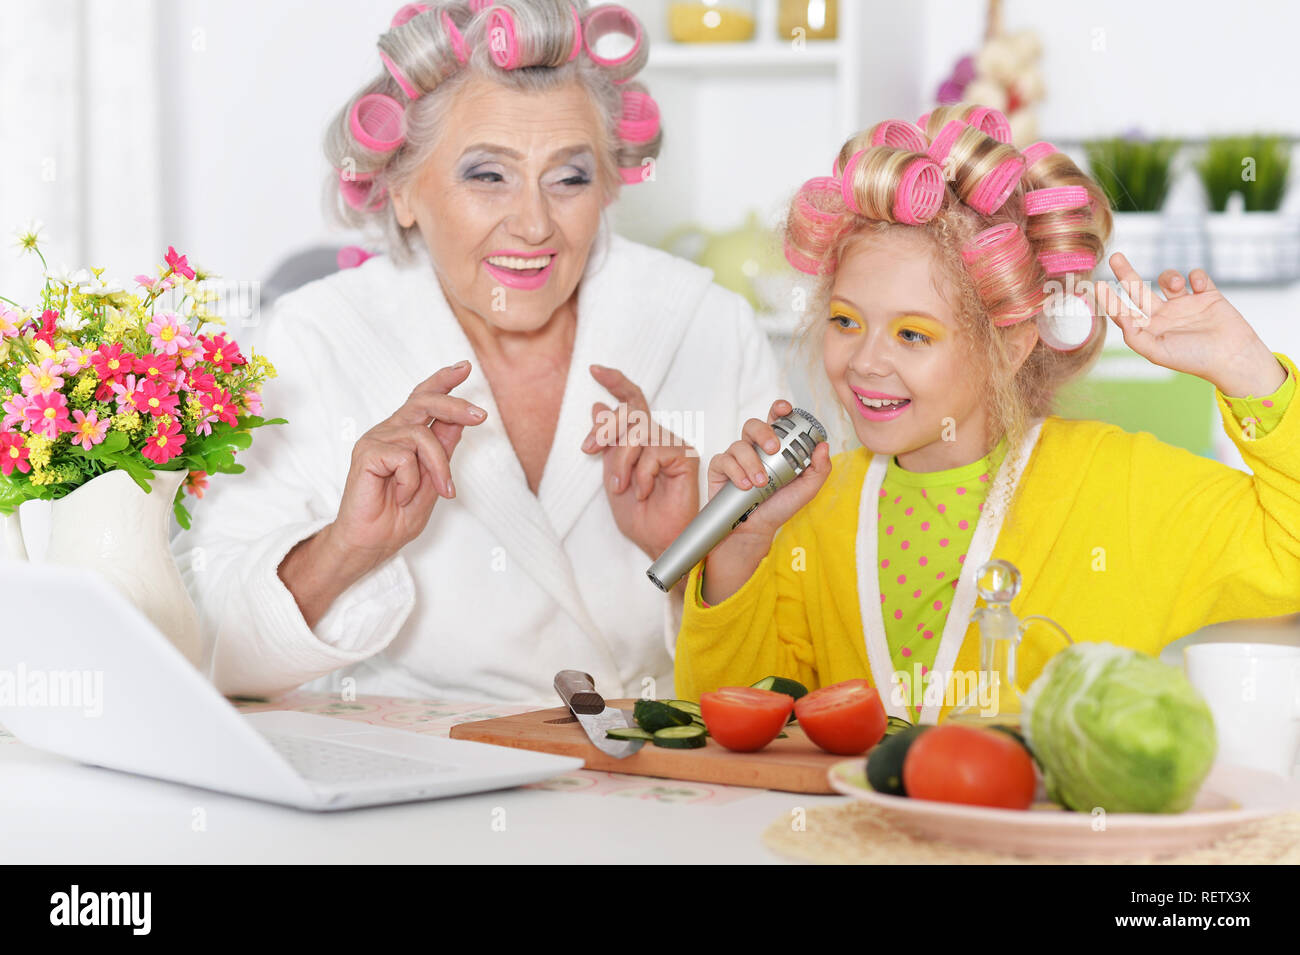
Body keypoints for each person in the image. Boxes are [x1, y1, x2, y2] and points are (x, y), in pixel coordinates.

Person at [173, 0, 784, 703]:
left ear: (609, 183)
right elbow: (204, 641)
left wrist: (685, 556)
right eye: (487, 176)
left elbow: (797, 652)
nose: (532, 224)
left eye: (570, 178)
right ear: (401, 189)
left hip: (653, 770)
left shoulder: (709, 326)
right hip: (413, 781)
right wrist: (346, 549)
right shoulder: (313, 338)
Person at [673, 105, 1300, 723]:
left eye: (912, 335)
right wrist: (741, 550)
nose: (865, 362)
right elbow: (739, 720)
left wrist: (1249, 372)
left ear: (1010, 347)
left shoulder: (1123, 488)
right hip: (858, 829)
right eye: (845, 322)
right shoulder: (811, 514)